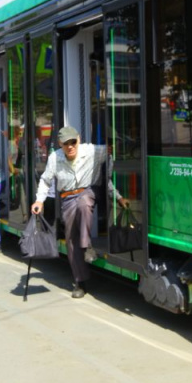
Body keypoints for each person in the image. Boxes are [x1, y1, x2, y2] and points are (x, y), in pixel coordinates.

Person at [31, 126, 128, 299]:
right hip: (68, 198)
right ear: (60, 144)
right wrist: (39, 200)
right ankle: (80, 281)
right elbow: (45, 181)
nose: (70, 146)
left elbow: (108, 175)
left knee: (83, 203)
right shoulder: (55, 158)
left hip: (88, 192)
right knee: (71, 241)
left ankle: (86, 245)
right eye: (65, 143)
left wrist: (118, 197)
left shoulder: (93, 151)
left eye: (73, 142)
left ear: (79, 140)